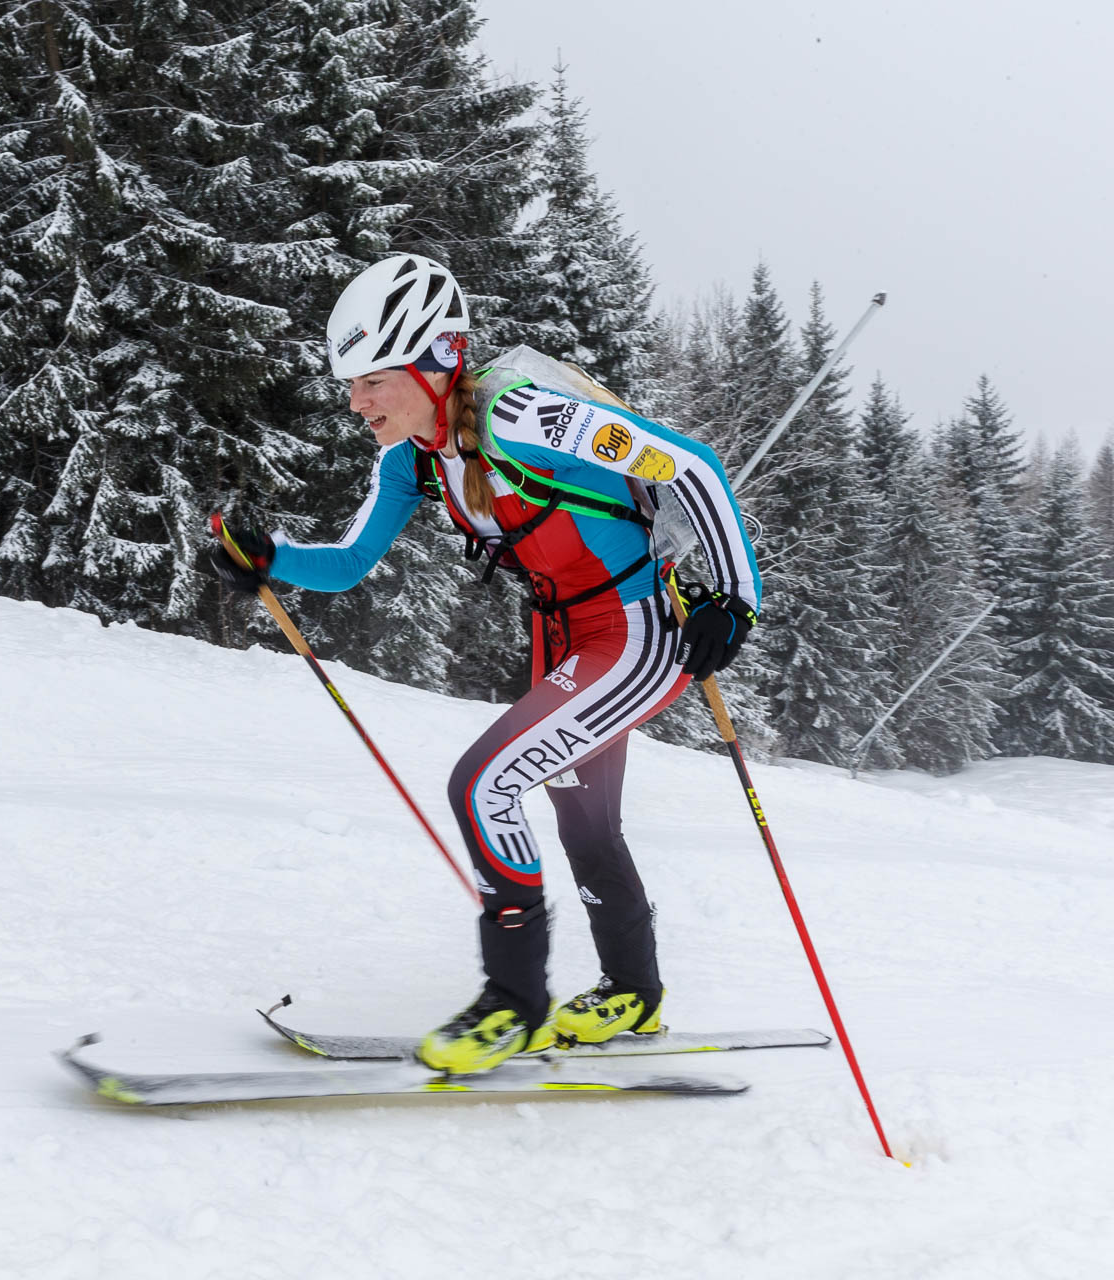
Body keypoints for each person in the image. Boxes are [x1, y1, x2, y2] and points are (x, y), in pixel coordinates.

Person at [209, 253, 763, 1074]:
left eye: (372, 380)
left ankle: (513, 1003)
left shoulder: (527, 416)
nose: (355, 401)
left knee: (484, 782)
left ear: (435, 361)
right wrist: (268, 555)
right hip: (565, 635)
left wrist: (734, 597)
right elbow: (349, 562)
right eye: (350, 383)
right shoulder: (411, 458)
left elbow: (687, 465)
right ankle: (632, 992)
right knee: (583, 817)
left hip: (636, 630)